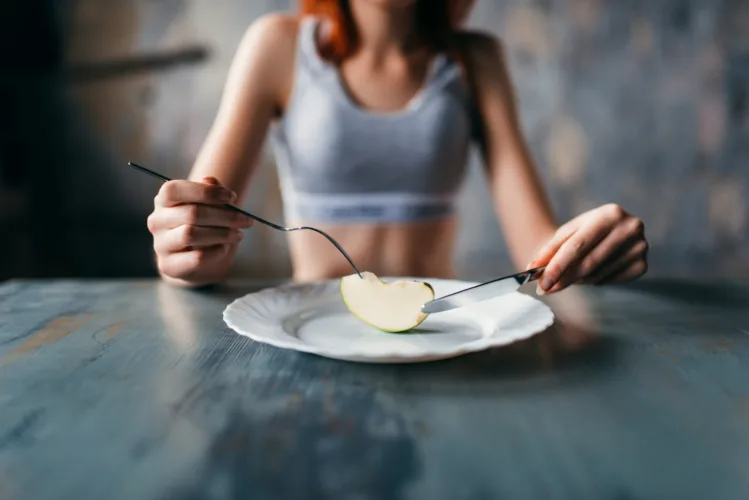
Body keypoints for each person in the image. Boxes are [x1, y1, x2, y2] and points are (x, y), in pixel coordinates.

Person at [146, 0, 648, 295]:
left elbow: (540, 255)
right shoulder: (277, 46)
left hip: (436, 336)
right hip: (313, 335)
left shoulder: (475, 61)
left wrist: (591, 248)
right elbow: (198, 223)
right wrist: (185, 249)